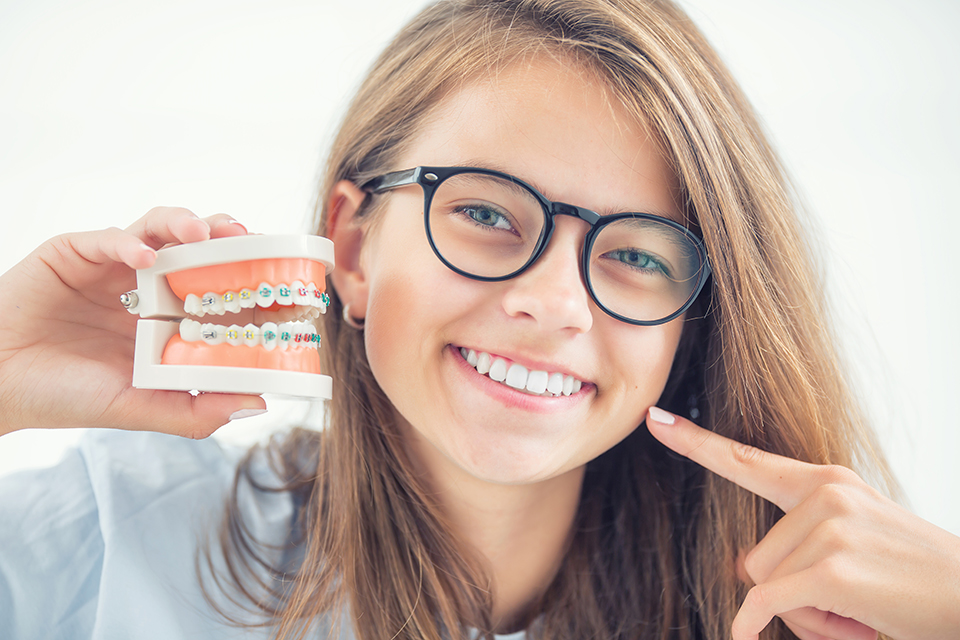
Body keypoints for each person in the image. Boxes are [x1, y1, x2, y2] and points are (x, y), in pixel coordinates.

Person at [0, 0, 957, 639]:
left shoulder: (811, 614)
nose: (552, 301)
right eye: (489, 214)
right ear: (352, 245)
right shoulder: (106, 540)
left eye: (635, 255)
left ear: (689, 328)